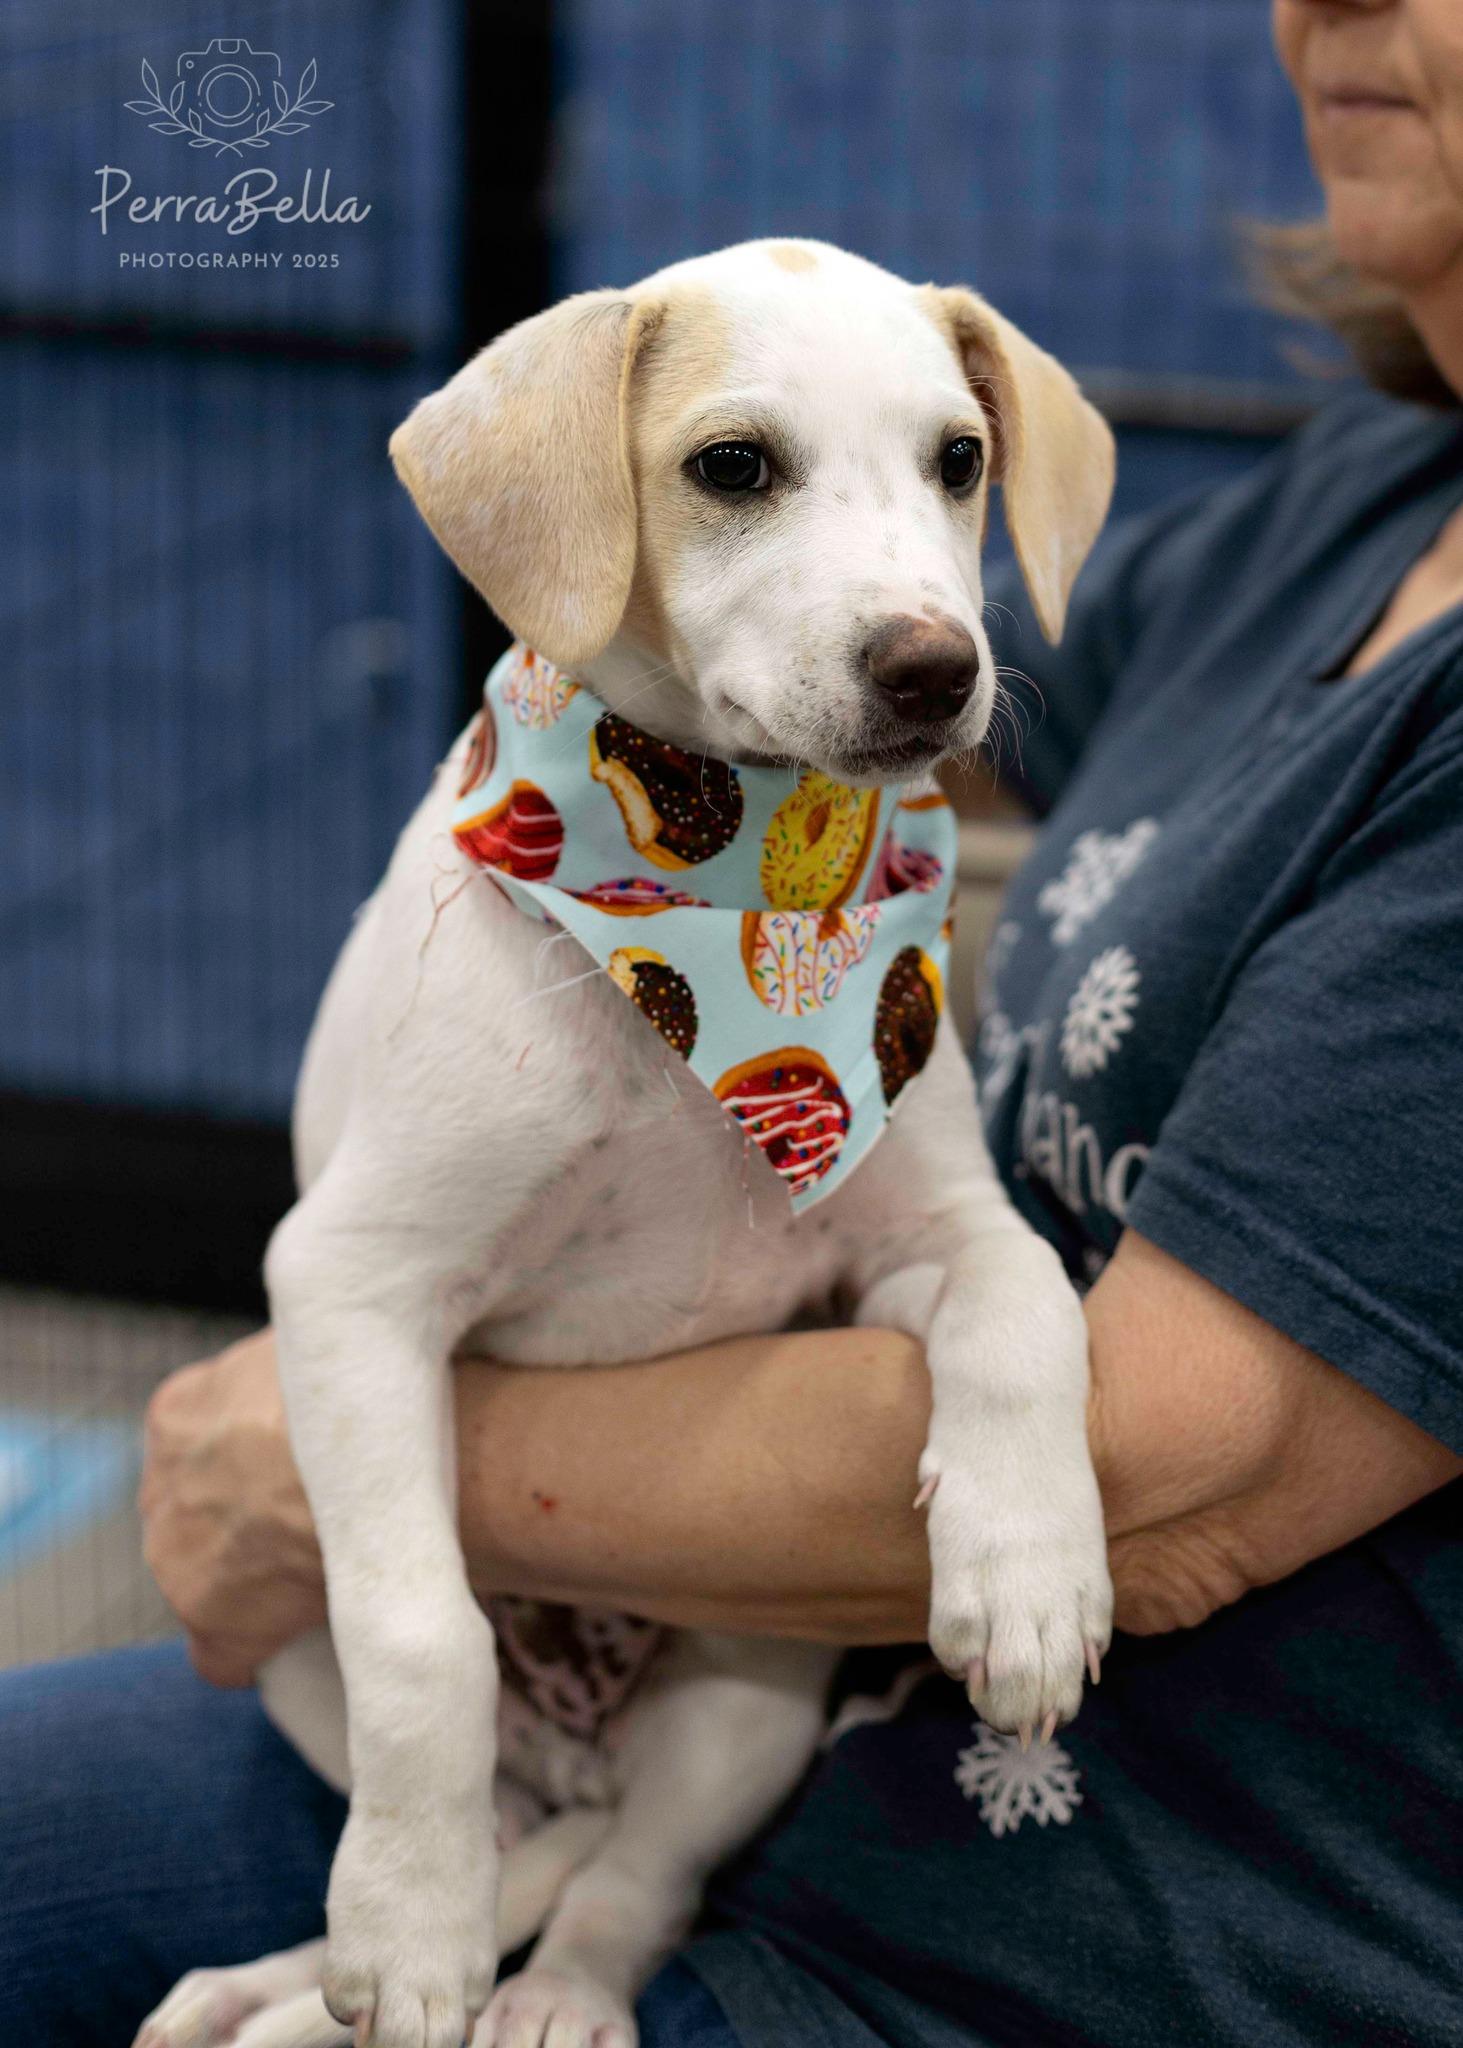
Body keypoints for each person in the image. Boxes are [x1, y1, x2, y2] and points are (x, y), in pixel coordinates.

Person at [5, 2, 1462, 2042]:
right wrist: (423, 1773)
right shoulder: (1347, 507)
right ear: (566, 497)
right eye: (739, 473)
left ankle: (587, 1934)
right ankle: (492, 1895)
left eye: (954, 472)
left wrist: (322, 1482)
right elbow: (361, 1272)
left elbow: (1090, 1388)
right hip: (442, 1694)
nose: (918, 601)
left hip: (1062, 1865)